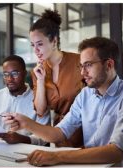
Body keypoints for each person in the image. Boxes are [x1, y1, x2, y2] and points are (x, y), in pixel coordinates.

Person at [3, 37, 123, 167]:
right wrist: (26, 122)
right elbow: (59, 133)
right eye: (81, 66)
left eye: (88, 65)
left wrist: (57, 156)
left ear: (108, 65)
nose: (83, 73)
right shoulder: (85, 94)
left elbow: (116, 152)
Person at [30, 9, 85, 147]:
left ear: (54, 41)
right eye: (33, 45)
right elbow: (41, 111)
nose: (35, 50)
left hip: (86, 133)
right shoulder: (37, 72)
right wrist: (41, 81)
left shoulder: (79, 61)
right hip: (59, 136)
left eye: (40, 44)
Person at [0, 55, 50, 145]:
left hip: (27, 151)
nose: (10, 79)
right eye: (6, 74)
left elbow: (46, 136)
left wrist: (22, 139)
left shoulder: (39, 99)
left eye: (15, 74)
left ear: (25, 73)